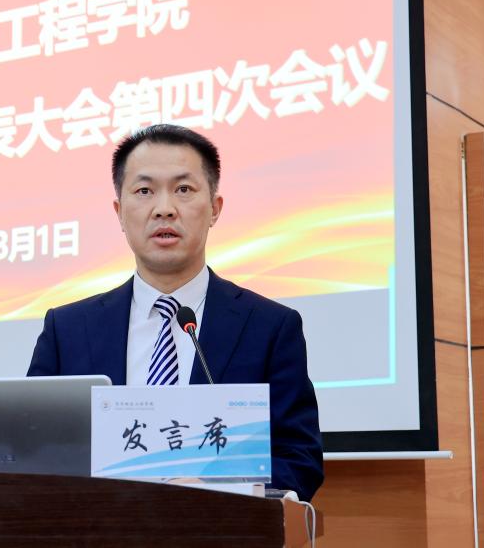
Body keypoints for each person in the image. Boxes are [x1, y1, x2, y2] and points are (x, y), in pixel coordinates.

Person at [27, 124, 323, 501]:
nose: (164, 208)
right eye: (144, 191)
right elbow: (31, 450)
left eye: (183, 189)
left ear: (215, 208)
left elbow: (299, 459)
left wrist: (219, 490)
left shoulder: (270, 327)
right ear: (119, 213)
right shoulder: (66, 330)